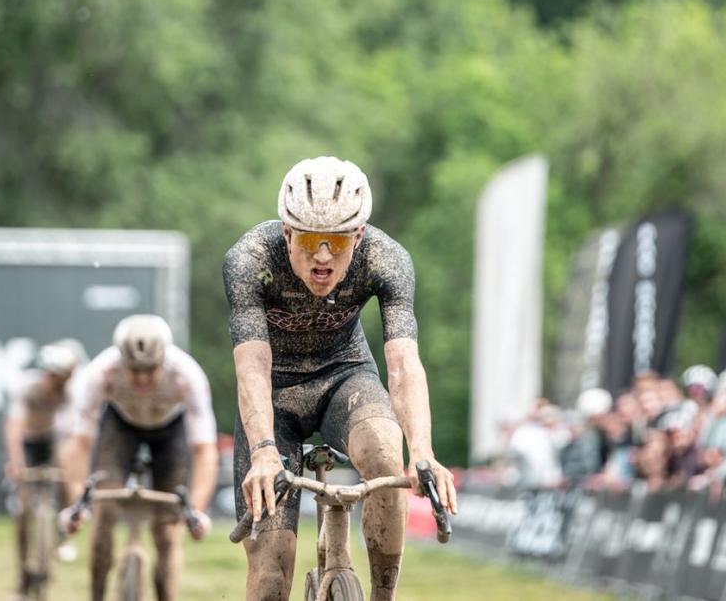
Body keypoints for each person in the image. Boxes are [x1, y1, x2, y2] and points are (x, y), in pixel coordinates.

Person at [224, 156, 457, 601]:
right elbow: (251, 364)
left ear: (360, 235)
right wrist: (263, 451)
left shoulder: (387, 259)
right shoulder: (250, 259)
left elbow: (405, 363)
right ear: (287, 232)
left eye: (338, 241)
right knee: (271, 577)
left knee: (387, 455)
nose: (324, 258)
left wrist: (422, 450)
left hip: (344, 377)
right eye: (310, 240)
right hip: (274, 391)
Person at [61, 315, 218, 601]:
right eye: (134, 371)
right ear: (121, 361)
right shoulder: (100, 372)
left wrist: (195, 510)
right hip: (120, 425)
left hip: (171, 430)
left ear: (164, 361)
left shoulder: (187, 375)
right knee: (104, 509)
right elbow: (79, 444)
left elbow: (204, 450)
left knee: (167, 529)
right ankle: (96, 594)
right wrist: (77, 504)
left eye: (150, 370)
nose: (142, 379)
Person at [4, 340, 83, 600]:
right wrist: (16, 462)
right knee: (23, 510)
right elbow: (14, 427)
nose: (59, 384)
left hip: (53, 441)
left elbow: (71, 433)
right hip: (29, 443)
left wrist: (68, 465)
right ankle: (23, 577)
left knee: (67, 474)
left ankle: (64, 533)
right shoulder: (27, 387)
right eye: (57, 378)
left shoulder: (69, 394)